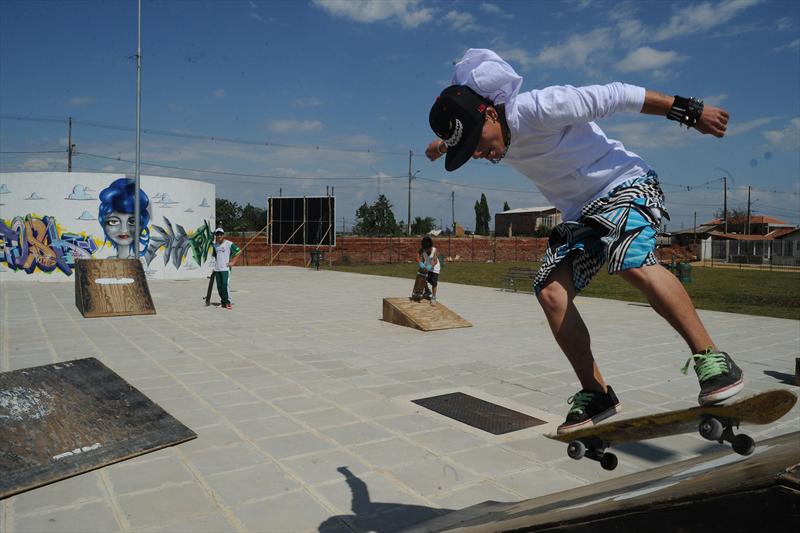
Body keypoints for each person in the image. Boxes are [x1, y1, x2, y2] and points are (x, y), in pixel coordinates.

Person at [425, 49, 743, 434]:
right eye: (469, 150)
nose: (479, 152)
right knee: (550, 292)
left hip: (627, 184)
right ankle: (596, 393)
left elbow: (619, 94)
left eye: (476, 141)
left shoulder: (539, 108)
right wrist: (442, 146)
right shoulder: (481, 130)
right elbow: (459, 137)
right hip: (582, 214)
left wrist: (690, 112)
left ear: (491, 112)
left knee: (627, 257)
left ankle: (712, 358)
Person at [98, 177, 150, 259]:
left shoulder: (138, 263)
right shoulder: (109, 262)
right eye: (114, 222)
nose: (124, 230)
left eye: (133, 222)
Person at [211, 227, 240, 310]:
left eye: (220, 234)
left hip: (225, 269)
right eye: (217, 234)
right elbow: (215, 257)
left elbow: (238, 251)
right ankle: (223, 302)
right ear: (215, 236)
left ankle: (228, 303)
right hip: (217, 269)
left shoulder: (229, 244)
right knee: (219, 287)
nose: (219, 236)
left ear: (223, 235)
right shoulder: (215, 245)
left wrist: (233, 262)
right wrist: (214, 267)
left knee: (225, 285)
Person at [417, 236, 441, 305]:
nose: (426, 250)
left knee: (434, 282)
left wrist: (430, 266)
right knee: (421, 278)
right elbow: (417, 257)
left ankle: (433, 297)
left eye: (428, 249)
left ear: (431, 247)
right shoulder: (422, 249)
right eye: (425, 249)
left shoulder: (434, 250)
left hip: (434, 268)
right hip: (426, 265)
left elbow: (435, 261)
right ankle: (427, 291)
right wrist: (420, 263)